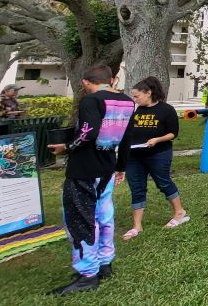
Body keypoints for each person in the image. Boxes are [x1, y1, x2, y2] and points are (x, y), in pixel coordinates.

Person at [46, 64, 135, 296]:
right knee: (104, 217)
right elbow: (127, 137)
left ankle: (87, 274)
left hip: (83, 170)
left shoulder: (91, 100)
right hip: (106, 168)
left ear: (86, 82)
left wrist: (67, 147)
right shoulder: (126, 101)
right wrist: (121, 166)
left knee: (80, 219)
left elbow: (88, 131)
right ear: (111, 80)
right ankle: (105, 263)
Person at [119, 76, 188, 240]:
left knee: (163, 182)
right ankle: (137, 226)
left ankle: (179, 212)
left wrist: (157, 140)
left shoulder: (166, 110)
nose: (135, 99)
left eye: (137, 96)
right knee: (136, 187)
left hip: (158, 154)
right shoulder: (136, 111)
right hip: (134, 156)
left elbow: (173, 133)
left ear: (148, 93)